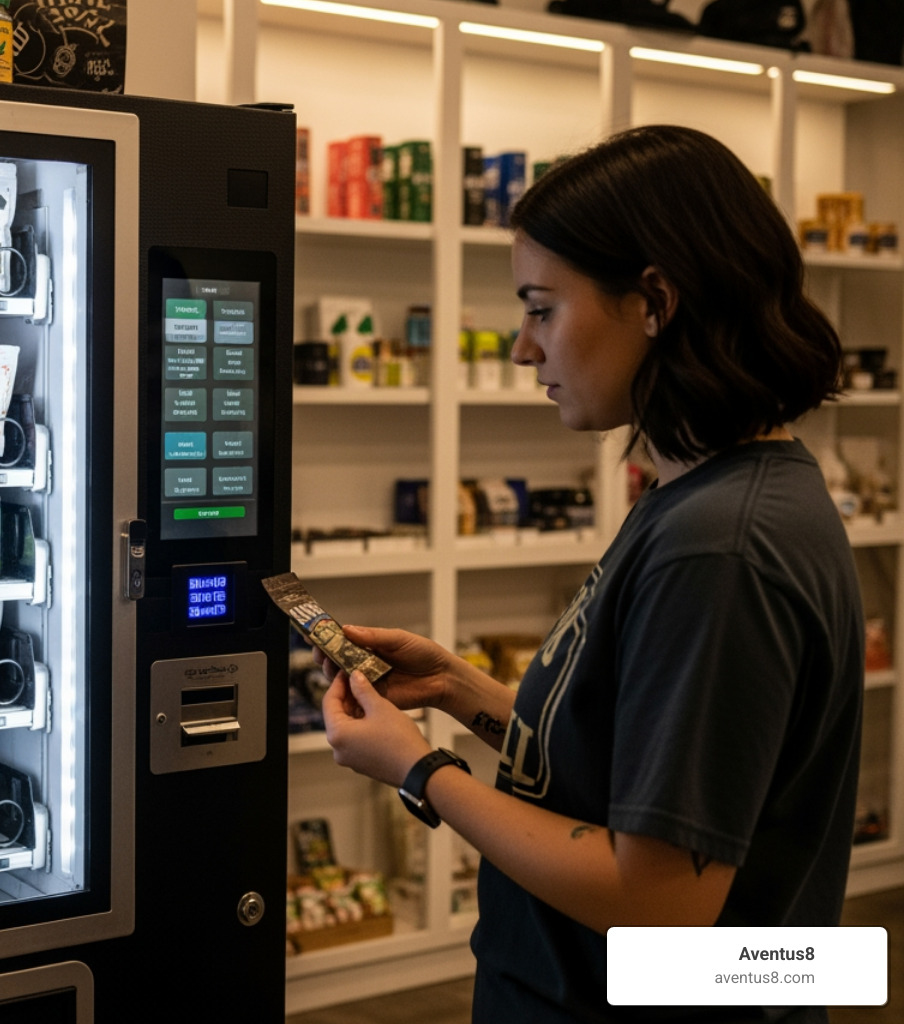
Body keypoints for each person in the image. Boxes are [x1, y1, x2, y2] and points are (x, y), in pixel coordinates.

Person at [317, 124, 864, 1022]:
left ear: (654, 300)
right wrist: (464, 694)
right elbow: (641, 772)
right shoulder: (710, 495)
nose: (524, 348)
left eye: (541, 307)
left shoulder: (720, 547)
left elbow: (658, 904)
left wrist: (420, 772)